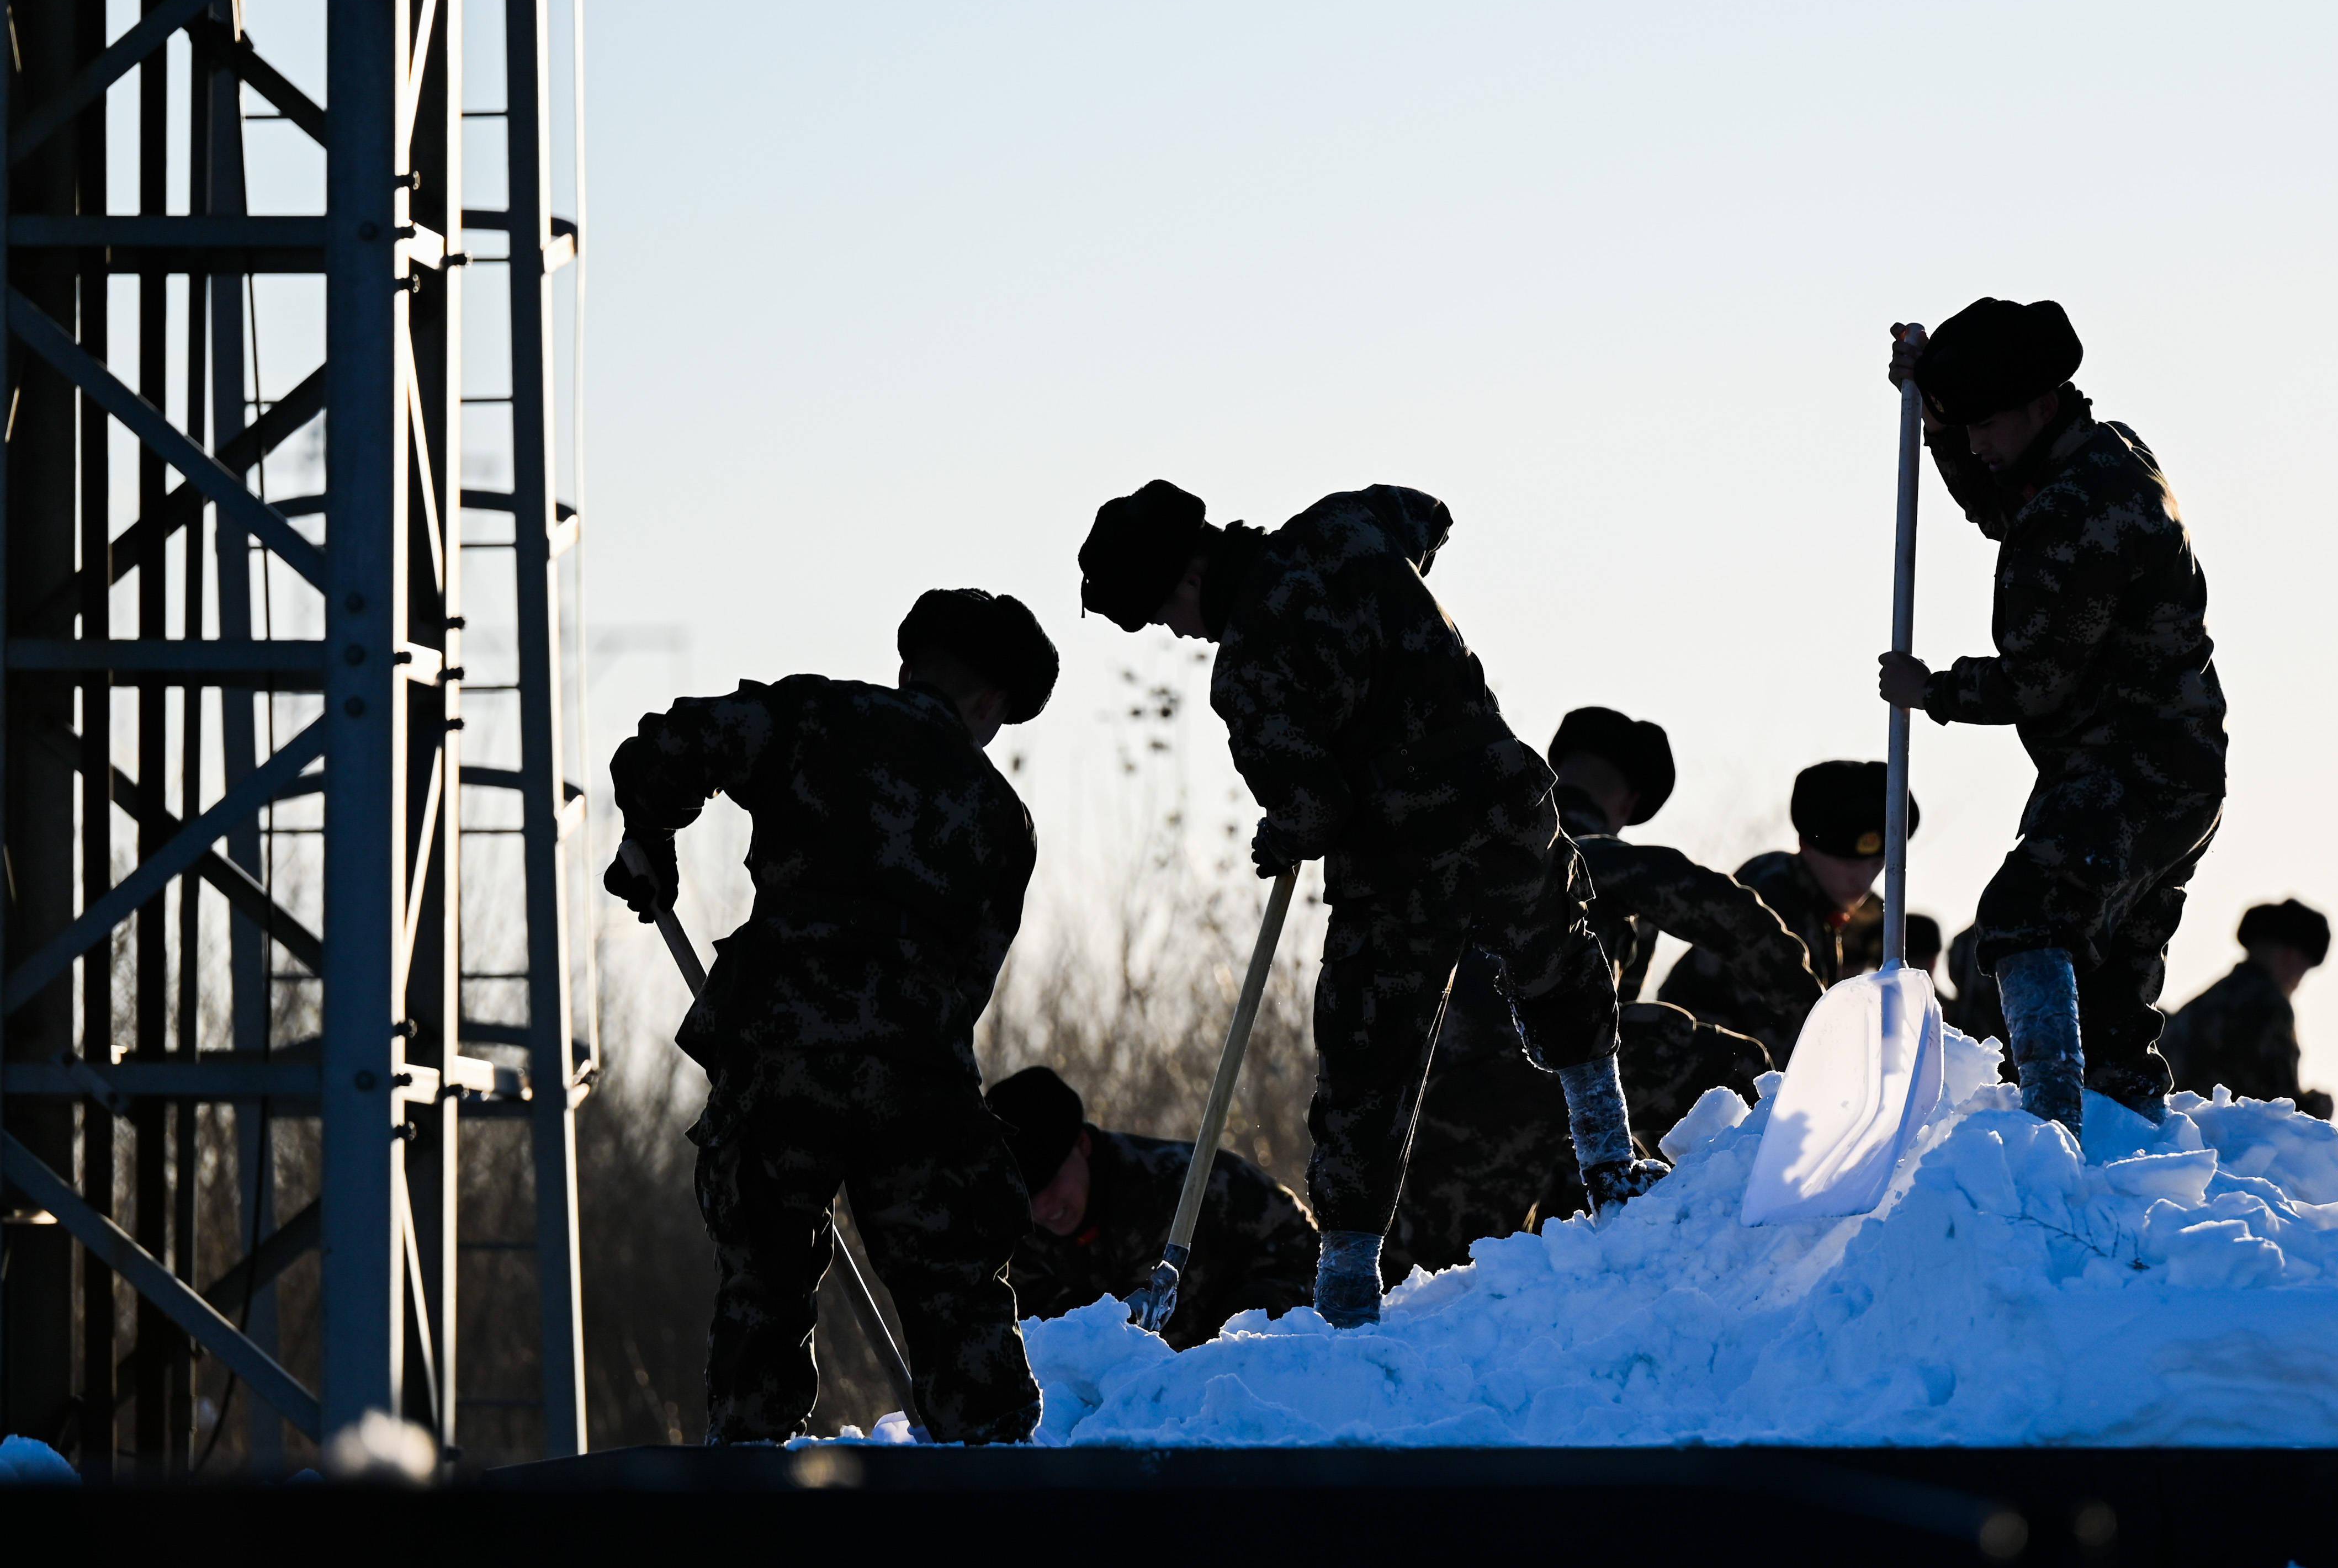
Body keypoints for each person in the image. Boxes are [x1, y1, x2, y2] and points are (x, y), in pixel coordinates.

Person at [1077, 479, 1660, 1328]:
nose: (1179, 632)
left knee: (1368, 1066)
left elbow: (1315, 807)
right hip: (1500, 807)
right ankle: (1610, 1164)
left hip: (1398, 870)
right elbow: (1430, 515)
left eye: (1165, 613)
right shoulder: (1348, 524)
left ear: (1190, 575)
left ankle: (1348, 1286)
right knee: (1558, 967)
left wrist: (1279, 836)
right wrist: (1395, 607)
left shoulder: (1249, 666)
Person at [603, 589, 1052, 1443]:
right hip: (918, 1081)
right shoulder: (1001, 817)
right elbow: (971, 979)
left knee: (762, 1291)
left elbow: (669, 745)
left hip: (779, 1060)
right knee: (957, 1297)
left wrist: (650, 840)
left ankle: (751, 1478)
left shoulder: (811, 717)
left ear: (909, 668)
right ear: (990, 703)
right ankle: (997, 1480)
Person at [1876, 299, 2227, 1134]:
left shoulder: (2081, 507)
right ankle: (2117, 1143)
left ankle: (2052, 1129)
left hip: (2130, 769)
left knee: (2026, 914)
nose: (1976, 445)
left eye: (1984, 424)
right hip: (2166, 768)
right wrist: (1934, 421)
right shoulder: (2095, 457)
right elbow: (2004, 506)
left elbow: (2036, 680)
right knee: (2105, 990)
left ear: (2038, 403)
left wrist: (1933, 691)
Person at [1390, 707, 1816, 1277]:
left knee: (1460, 1279)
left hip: (1429, 1117)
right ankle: (1759, 1238)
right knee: (1739, 1073)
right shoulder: (1575, 854)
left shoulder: (1451, 860)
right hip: (1538, 1083)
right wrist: (1816, 1015)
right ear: (1630, 803)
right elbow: (1718, 909)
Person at [985, 1067, 1317, 1350]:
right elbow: (1024, 1323)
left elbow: (1164, 1336)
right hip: (1171, 1304)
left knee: (1238, 1337)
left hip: (1286, 1273)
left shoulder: (1168, 1193)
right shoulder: (1014, 1221)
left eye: (1053, 1181)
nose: (1043, 1206)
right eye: (1027, 1194)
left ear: (1083, 1145)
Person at [1658, 759, 1915, 1048]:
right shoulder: (1777, 905)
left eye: (1877, 863)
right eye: (1847, 864)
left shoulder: (1803, 889)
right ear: (1806, 846)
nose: (1863, 878)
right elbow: (1799, 1047)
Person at [2164, 898, 2333, 1117]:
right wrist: (2315, 1107)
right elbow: (2279, 1108)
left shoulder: (2205, 1003)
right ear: (2289, 956)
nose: (2299, 979)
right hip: (2226, 1134)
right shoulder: (2269, 1006)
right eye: (2303, 966)